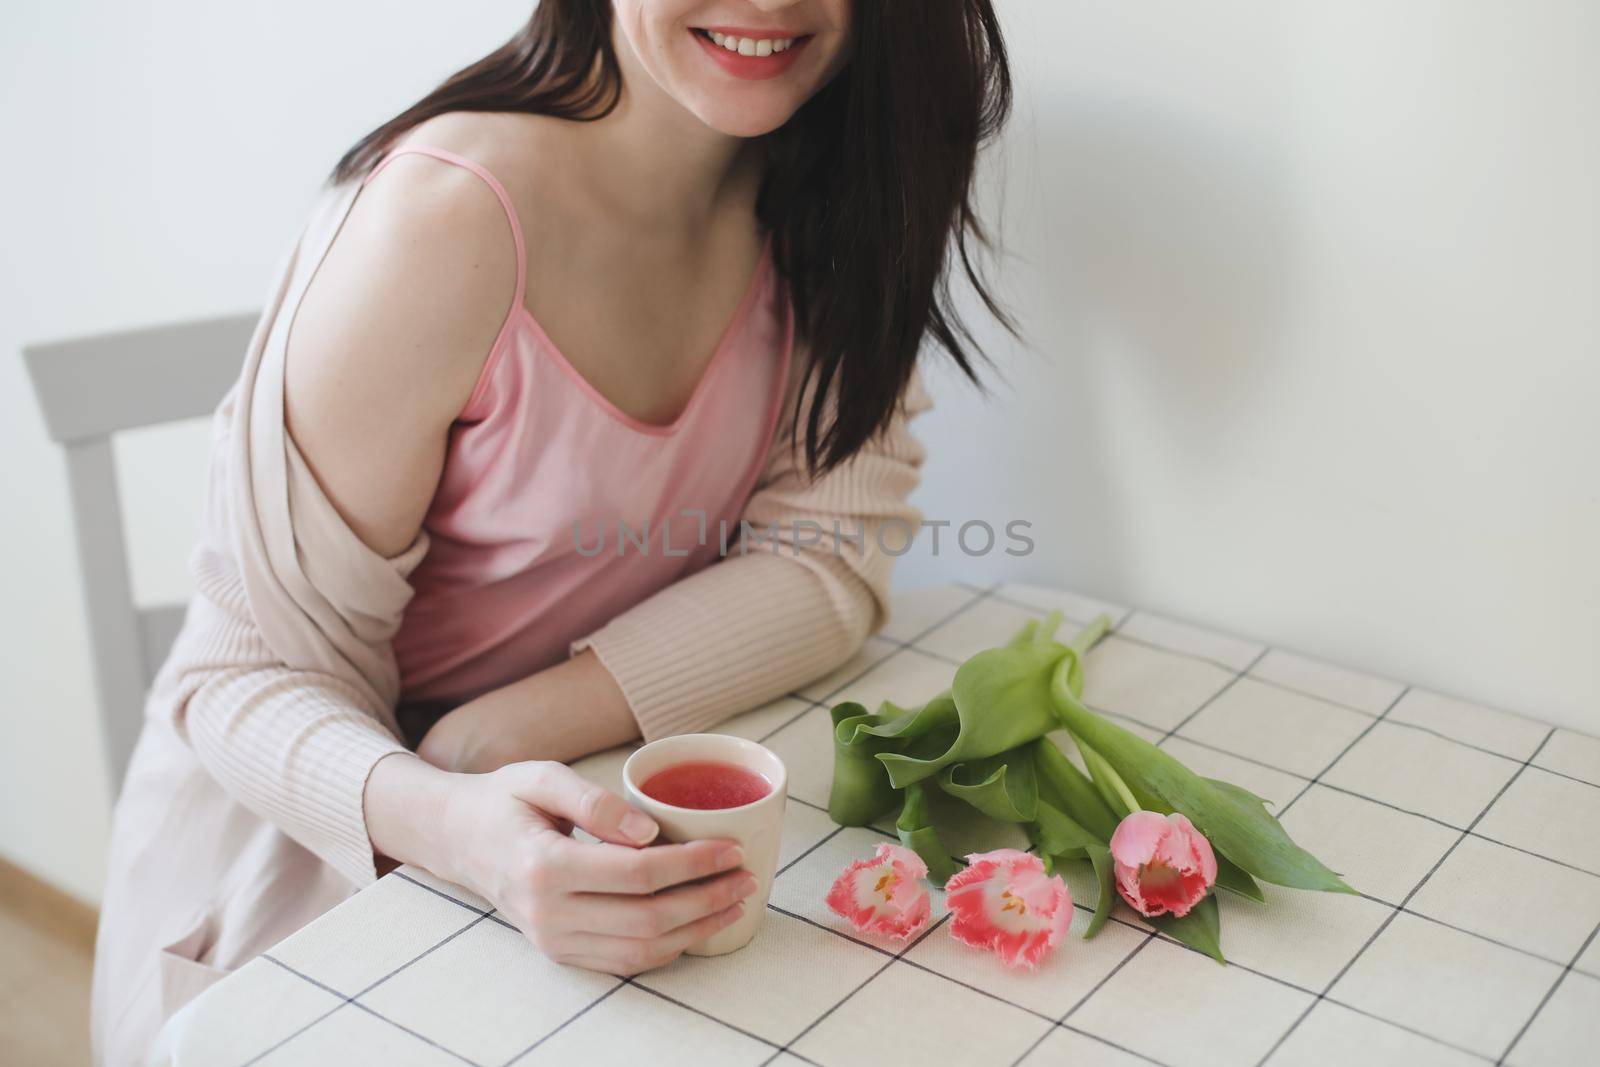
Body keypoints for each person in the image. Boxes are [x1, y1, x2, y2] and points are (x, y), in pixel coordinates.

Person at [90, 1, 1013, 1062]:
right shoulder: (447, 218)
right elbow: (238, 676)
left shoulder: (835, 193)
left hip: (553, 798)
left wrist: (495, 737)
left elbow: (828, 559)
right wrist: (454, 813)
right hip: (295, 859)